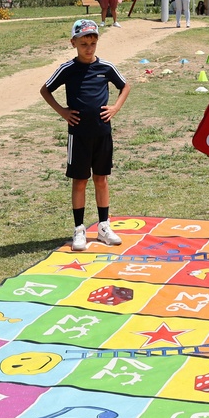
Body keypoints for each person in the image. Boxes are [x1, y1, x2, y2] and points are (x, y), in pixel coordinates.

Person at [41, 19, 131, 251]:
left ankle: (103, 226)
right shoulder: (67, 70)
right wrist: (63, 112)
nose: (89, 47)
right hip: (78, 135)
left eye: (93, 42)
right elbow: (45, 89)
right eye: (83, 43)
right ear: (73, 43)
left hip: (102, 133)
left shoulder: (106, 68)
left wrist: (115, 107)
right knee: (80, 181)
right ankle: (79, 229)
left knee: (101, 179)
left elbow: (125, 86)